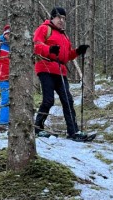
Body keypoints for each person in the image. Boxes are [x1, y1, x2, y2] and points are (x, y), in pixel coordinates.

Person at [33, 7, 89, 140]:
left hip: (60, 70)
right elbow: (36, 46)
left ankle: (73, 131)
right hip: (45, 67)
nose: (62, 20)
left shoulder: (64, 35)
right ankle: (37, 128)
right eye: (59, 17)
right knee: (48, 100)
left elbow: (67, 56)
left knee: (68, 101)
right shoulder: (44, 29)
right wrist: (49, 49)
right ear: (52, 17)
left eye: (64, 18)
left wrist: (77, 51)